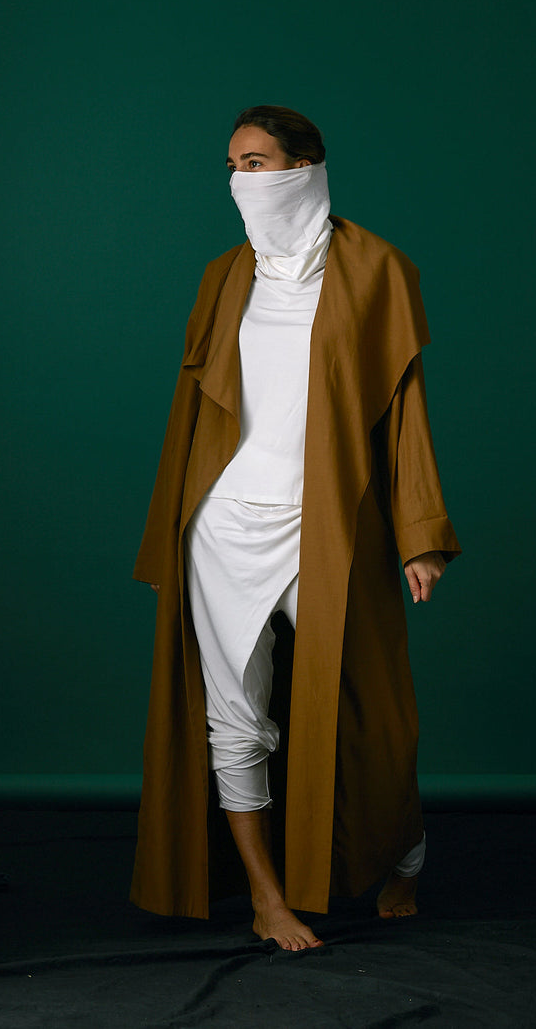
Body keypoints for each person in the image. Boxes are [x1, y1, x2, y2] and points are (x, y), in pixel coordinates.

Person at [131, 106, 461, 951]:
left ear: (305, 165)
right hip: (223, 525)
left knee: (372, 717)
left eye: (258, 161)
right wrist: (170, 527)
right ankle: (267, 896)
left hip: (328, 525)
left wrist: (419, 530)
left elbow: (404, 408)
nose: (243, 180)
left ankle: (406, 852)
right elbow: (192, 411)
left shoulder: (379, 269)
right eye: (233, 166)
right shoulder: (223, 276)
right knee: (235, 717)